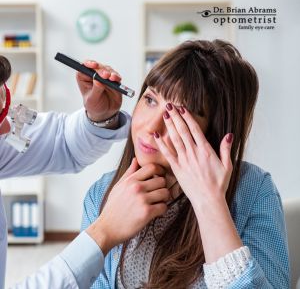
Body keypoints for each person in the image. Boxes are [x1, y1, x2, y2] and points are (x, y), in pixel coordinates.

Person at [81, 40, 290, 288]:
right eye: (150, 100)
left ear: (214, 132)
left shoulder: (254, 190)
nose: (151, 127)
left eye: (178, 115)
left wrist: (210, 204)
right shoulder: (101, 193)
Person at [1, 56, 167, 288]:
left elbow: (63, 144)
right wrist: (102, 233)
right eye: (150, 100)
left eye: (3, 101)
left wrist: (101, 117)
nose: (8, 126)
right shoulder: (100, 197)